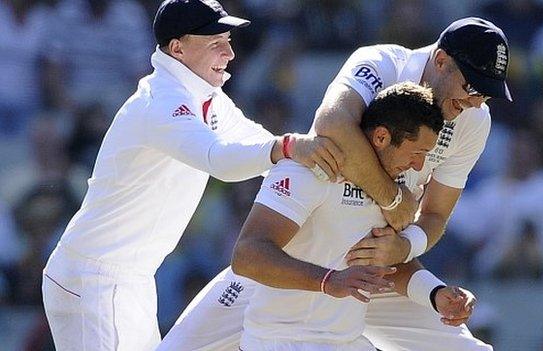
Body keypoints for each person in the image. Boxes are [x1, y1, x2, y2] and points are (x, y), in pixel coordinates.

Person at [159, 17, 510, 351]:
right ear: (442, 60)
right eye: (471, 87)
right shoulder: (381, 64)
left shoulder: (474, 119)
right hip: (295, 267)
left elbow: (432, 216)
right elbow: (332, 122)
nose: (474, 103)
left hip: (366, 275)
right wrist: (391, 200)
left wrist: (405, 251)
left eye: (487, 95)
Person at [40, 1, 355, 350]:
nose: (231, 53)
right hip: (94, 277)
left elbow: (256, 142)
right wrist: (290, 146)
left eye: (229, 40)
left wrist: (324, 168)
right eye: (216, 42)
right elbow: (217, 158)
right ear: (178, 48)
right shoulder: (160, 102)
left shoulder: (207, 96)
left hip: (131, 278)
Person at [230, 82, 479, 350]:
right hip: (277, 342)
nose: (419, 166)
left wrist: (436, 293)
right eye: (417, 152)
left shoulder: (393, 193)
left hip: (346, 342)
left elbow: (385, 264)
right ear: (382, 137)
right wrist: (329, 281)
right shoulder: (308, 169)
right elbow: (247, 255)